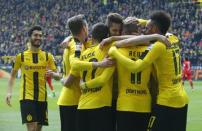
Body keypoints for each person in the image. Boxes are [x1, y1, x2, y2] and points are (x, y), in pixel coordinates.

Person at [108, 11, 189, 131]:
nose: (144, 29)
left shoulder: (158, 46)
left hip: (167, 101)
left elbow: (136, 67)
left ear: (154, 28)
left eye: (147, 27)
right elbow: (154, 26)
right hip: (182, 99)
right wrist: (138, 20)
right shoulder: (173, 37)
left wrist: (114, 51)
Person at [5, 26, 60, 131]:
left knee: (38, 129)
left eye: (40, 35)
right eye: (35, 35)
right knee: (32, 128)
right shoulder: (20, 57)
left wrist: (53, 74)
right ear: (29, 37)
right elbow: (12, 76)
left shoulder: (48, 56)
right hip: (27, 97)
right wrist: (9, 92)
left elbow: (59, 76)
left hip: (42, 98)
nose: (38, 37)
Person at [63, 23, 115, 131]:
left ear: (93, 36)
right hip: (101, 105)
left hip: (82, 106)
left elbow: (74, 68)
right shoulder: (109, 50)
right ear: (107, 37)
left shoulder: (82, 54)